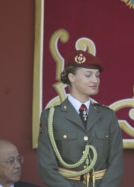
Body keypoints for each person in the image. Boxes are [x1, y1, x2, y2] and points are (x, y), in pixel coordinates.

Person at [37, 50, 124, 187]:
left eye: (97, 75)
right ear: (71, 77)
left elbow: (116, 163)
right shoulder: (51, 116)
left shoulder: (108, 116)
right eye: (88, 75)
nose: (95, 80)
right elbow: (46, 168)